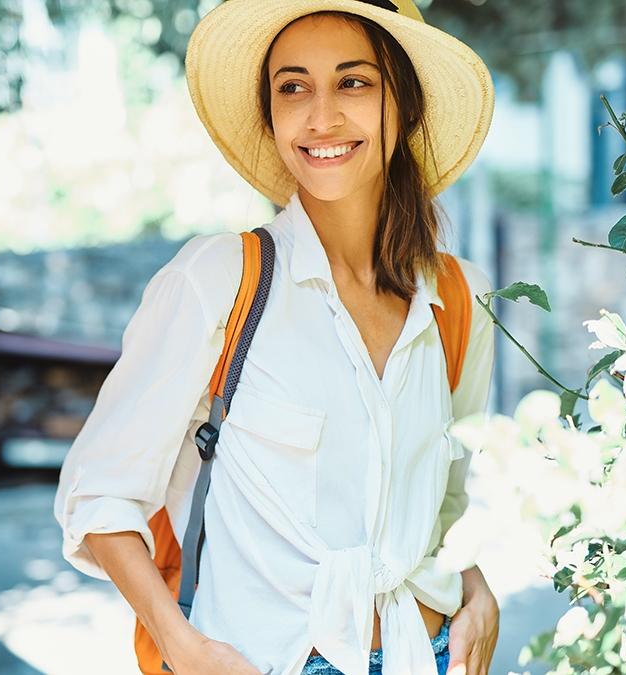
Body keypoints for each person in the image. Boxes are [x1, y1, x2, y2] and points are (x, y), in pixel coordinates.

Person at [54, 1, 500, 673]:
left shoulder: (461, 298)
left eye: (354, 81)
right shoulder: (220, 280)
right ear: (271, 113)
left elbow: (448, 497)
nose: (321, 116)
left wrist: (478, 587)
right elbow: (97, 493)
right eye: (293, 87)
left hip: (430, 652)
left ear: (402, 104)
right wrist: (182, 644)